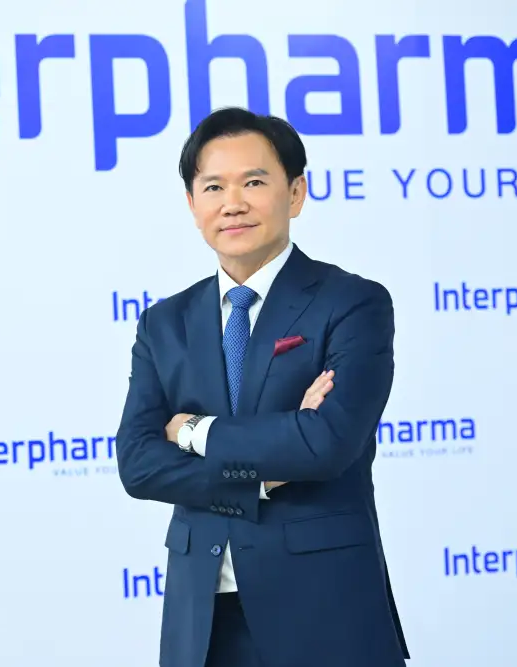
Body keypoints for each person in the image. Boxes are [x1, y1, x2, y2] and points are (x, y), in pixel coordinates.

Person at [115, 107, 409, 667]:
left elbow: (325, 444)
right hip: (203, 622)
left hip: (324, 612)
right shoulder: (164, 323)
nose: (233, 203)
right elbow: (139, 464)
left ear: (295, 193)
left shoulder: (352, 303)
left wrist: (195, 432)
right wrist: (263, 477)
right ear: (192, 204)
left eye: (253, 182)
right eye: (213, 187)